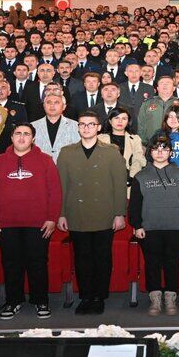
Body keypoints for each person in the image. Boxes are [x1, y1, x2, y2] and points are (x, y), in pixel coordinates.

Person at [0, 124, 61, 320]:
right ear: (11, 137)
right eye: (17, 133)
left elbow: (55, 192)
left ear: (33, 139)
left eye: (26, 134)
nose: (21, 137)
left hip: (38, 223)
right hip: (6, 223)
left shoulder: (45, 160)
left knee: (38, 263)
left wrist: (52, 218)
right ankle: (13, 301)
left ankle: (41, 300)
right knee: (11, 264)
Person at [57, 111, 127, 315]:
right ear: (78, 128)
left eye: (91, 124)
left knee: (102, 257)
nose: (86, 127)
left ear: (98, 127)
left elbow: (119, 185)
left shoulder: (112, 151)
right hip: (76, 213)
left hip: (104, 212)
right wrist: (61, 213)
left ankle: (99, 296)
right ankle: (86, 296)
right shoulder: (66, 152)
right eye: (82, 124)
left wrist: (119, 213)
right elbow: (61, 185)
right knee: (82, 257)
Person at [129, 133, 179, 317]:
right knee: (152, 263)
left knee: (172, 263)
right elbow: (135, 204)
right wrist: (137, 225)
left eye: (164, 149)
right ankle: (155, 298)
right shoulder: (140, 176)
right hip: (149, 227)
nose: (160, 152)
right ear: (150, 152)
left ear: (170, 152)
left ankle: (170, 297)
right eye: (156, 148)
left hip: (176, 227)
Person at [98, 107, 147, 186]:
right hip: (104, 180)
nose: (120, 121)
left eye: (124, 118)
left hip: (128, 180)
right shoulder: (100, 139)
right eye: (116, 118)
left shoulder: (135, 139)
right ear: (110, 121)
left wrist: (131, 177)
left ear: (128, 121)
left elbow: (138, 160)